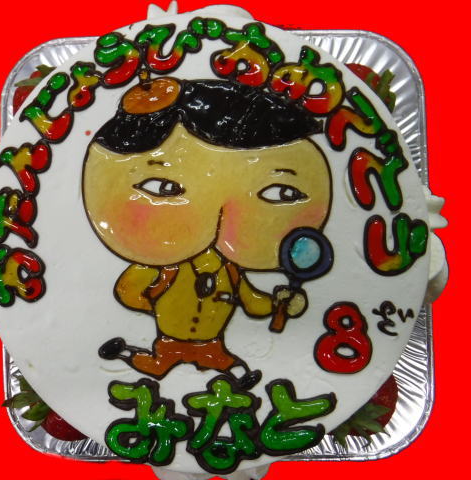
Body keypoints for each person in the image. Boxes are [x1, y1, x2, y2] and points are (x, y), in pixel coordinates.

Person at [82, 77, 332, 389]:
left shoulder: (231, 273)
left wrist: (279, 304)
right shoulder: (168, 269)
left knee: (230, 366)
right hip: (170, 340)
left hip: (211, 343)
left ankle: (239, 380)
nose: (221, 216)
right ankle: (124, 352)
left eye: (281, 193)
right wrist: (158, 309)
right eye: (163, 187)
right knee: (155, 366)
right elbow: (128, 292)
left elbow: (253, 303)